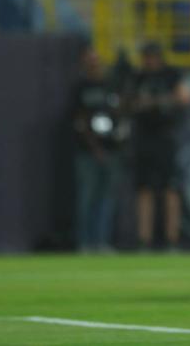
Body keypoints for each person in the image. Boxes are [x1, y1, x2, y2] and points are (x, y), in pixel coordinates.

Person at [131, 43, 190, 250]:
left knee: (170, 189)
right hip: (144, 139)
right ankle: (144, 239)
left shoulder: (171, 75)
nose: (149, 61)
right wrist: (161, 101)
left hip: (166, 138)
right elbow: (130, 102)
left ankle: (172, 239)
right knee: (144, 189)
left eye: (152, 56)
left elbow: (185, 97)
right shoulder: (138, 77)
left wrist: (155, 102)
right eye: (146, 57)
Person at [72, 49, 124, 252]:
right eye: (89, 62)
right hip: (87, 152)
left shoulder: (111, 85)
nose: (94, 66)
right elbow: (79, 121)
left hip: (111, 150)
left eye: (96, 62)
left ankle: (101, 242)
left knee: (107, 198)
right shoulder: (81, 88)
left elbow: (119, 114)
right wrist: (95, 148)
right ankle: (84, 242)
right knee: (87, 196)